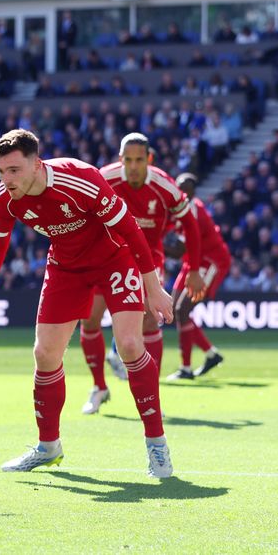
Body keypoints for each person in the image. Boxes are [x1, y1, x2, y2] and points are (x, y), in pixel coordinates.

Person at [0, 129, 174, 478]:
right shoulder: (5, 198)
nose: (6, 180)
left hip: (115, 259)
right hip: (65, 267)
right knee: (44, 353)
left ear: (37, 163)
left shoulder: (79, 179)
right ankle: (48, 447)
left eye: (14, 170)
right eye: (0, 172)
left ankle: (156, 445)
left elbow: (128, 228)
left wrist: (152, 286)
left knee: (128, 343)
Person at [79, 133, 203, 414]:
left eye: (139, 160)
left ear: (149, 159)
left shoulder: (163, 185)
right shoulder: (103, 178)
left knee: (149, 321)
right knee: (89, 320)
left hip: (146, 261)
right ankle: (99, 387)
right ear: (120, 159)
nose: (133, 166)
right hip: (105, 258)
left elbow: (190, 223)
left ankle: (151, 393)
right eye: (128, 160)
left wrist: (193, 269)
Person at [165, 173, 227, 380]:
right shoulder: (181, 207)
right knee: (175, 309)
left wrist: (150, 243)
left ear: (193, 193)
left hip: (210, 261)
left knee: (183, 309)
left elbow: (178, 249)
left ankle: (186, 368)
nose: (183, 192)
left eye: (187, 189)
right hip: (193, 261)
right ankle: (210, 354)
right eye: (180, 187)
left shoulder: (191, 210)